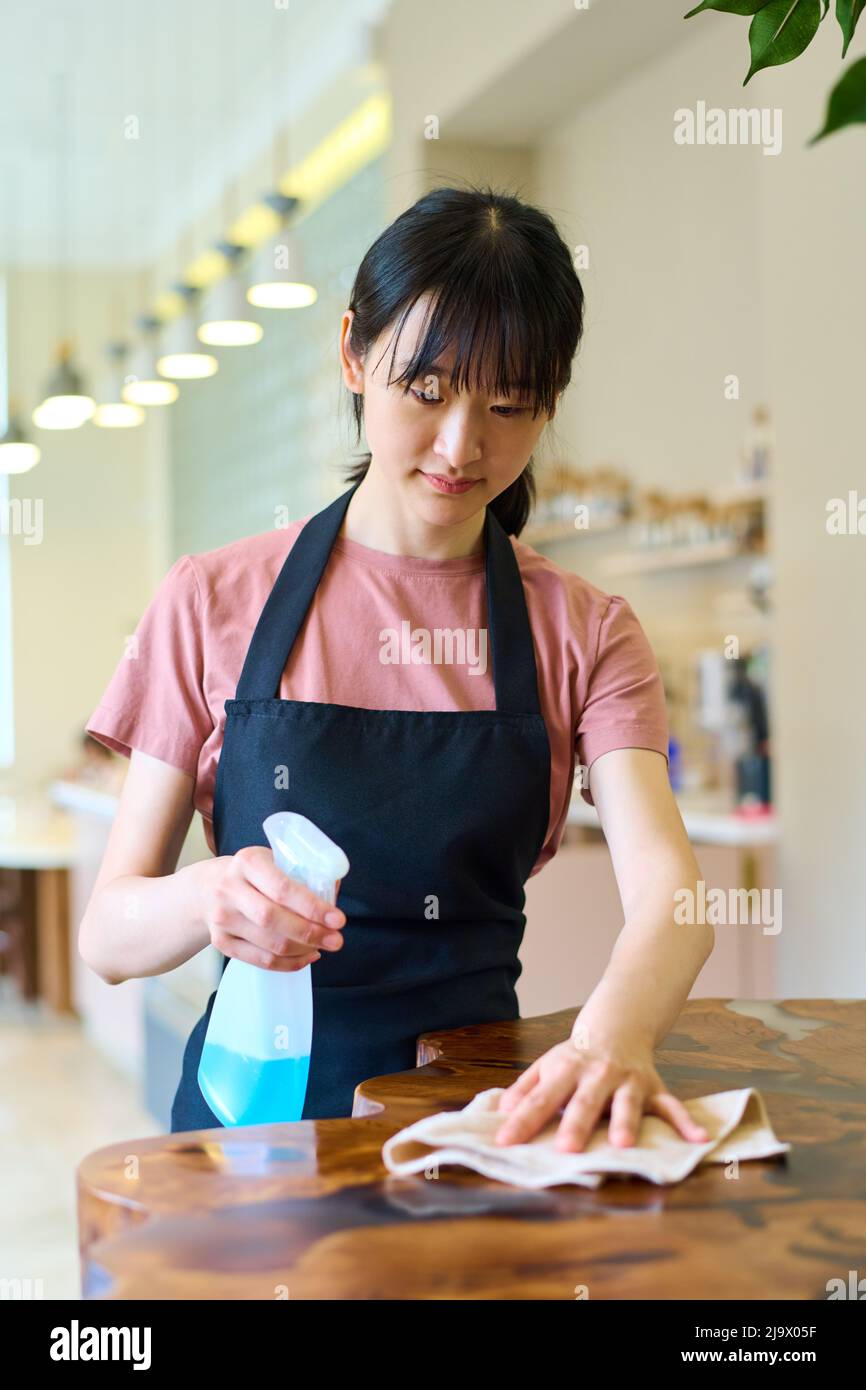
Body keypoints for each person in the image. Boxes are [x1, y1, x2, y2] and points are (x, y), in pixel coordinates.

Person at [80, 185, 712, 1150]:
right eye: (428, 391)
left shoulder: (586, 631)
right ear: (353, 353)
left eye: (510, 404)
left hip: (472, 1134)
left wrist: (606, 1042)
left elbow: (676, 900)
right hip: (254, 1131)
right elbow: (109, 935)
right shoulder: (213, 600)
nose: (463, 445)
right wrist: (211, 899)